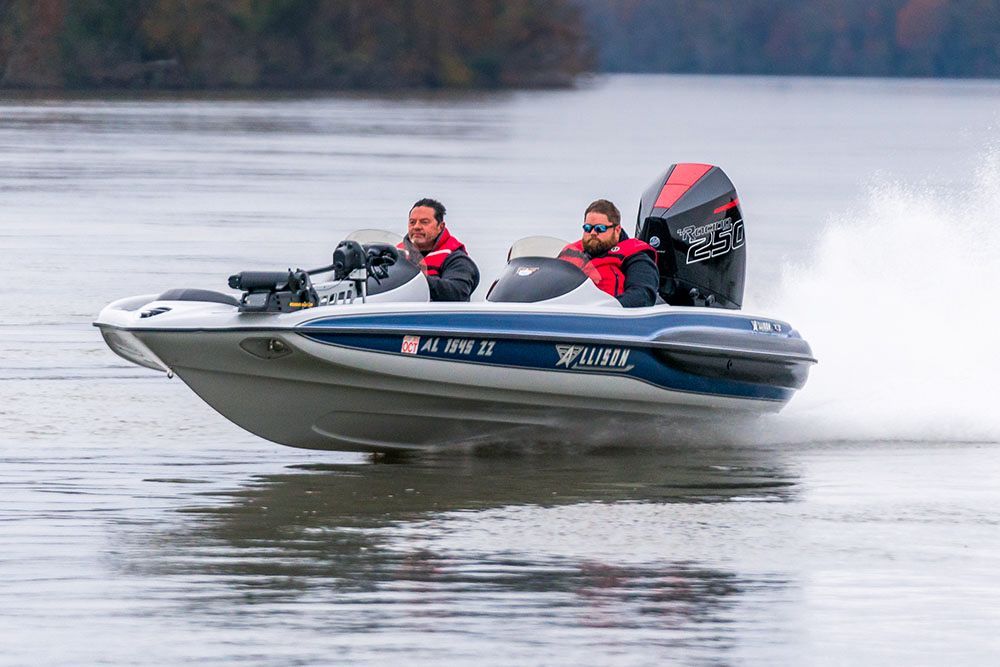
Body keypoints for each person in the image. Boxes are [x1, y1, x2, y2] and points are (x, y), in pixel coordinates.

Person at [558, 199, 659, 307]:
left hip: (607, 318)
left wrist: (603, 308)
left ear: (617, 230)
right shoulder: (570, 253)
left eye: (600, 228)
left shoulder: (636, 257)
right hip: (564, 312)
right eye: (587, 228)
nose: (593, 233)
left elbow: (642, 295)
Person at [399, 198, 480, 302]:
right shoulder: (396, 254)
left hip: (437, 316)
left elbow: (457, 292)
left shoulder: (457, 259)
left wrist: (416, 281)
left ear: (440, 227)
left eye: (424, 222)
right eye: (412, 222)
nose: (417, 227)